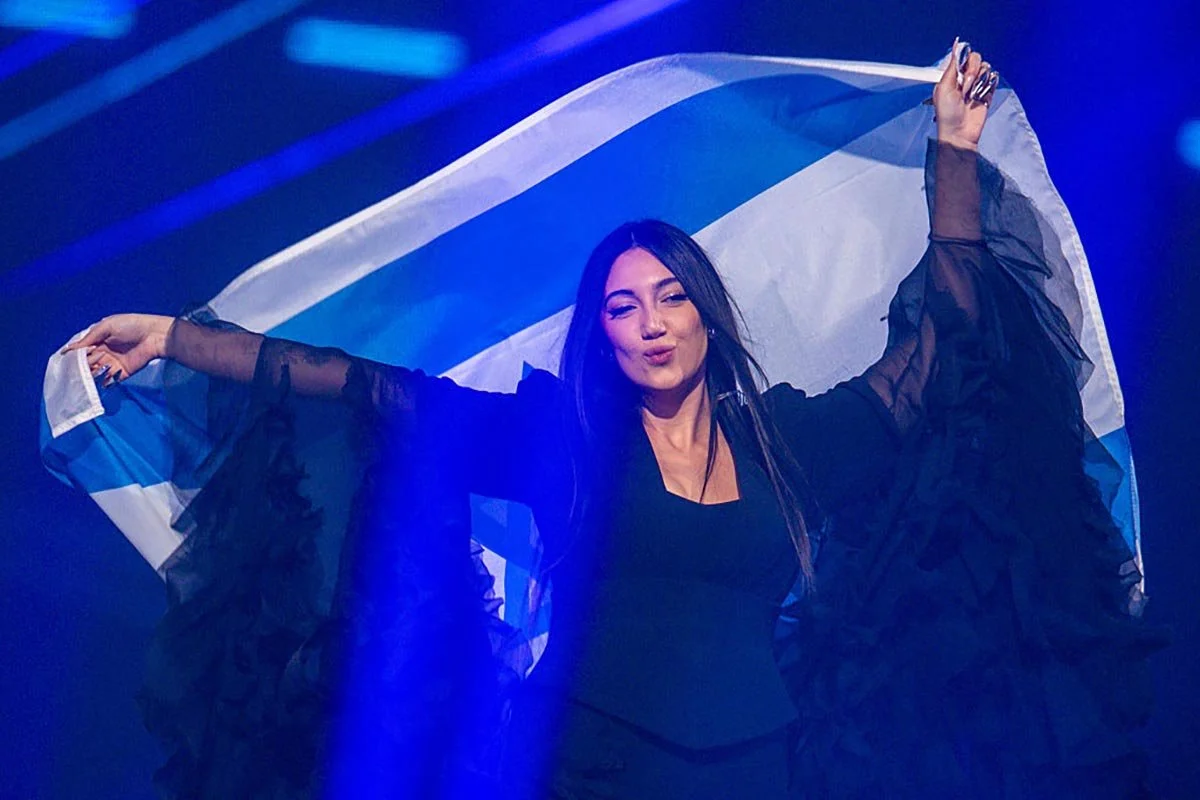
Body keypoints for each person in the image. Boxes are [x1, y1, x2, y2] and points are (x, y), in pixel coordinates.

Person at [65, 45, 1159, 799]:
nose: (652, 324)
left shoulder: (790, 443)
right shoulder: (564, 445)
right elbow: (359, 383)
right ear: (602, 333)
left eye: (671, 297)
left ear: (707, 313)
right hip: (587, 757)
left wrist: (953, 150)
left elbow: (941, 345)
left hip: (758, 763)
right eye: (624, 308)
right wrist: (174, 337)